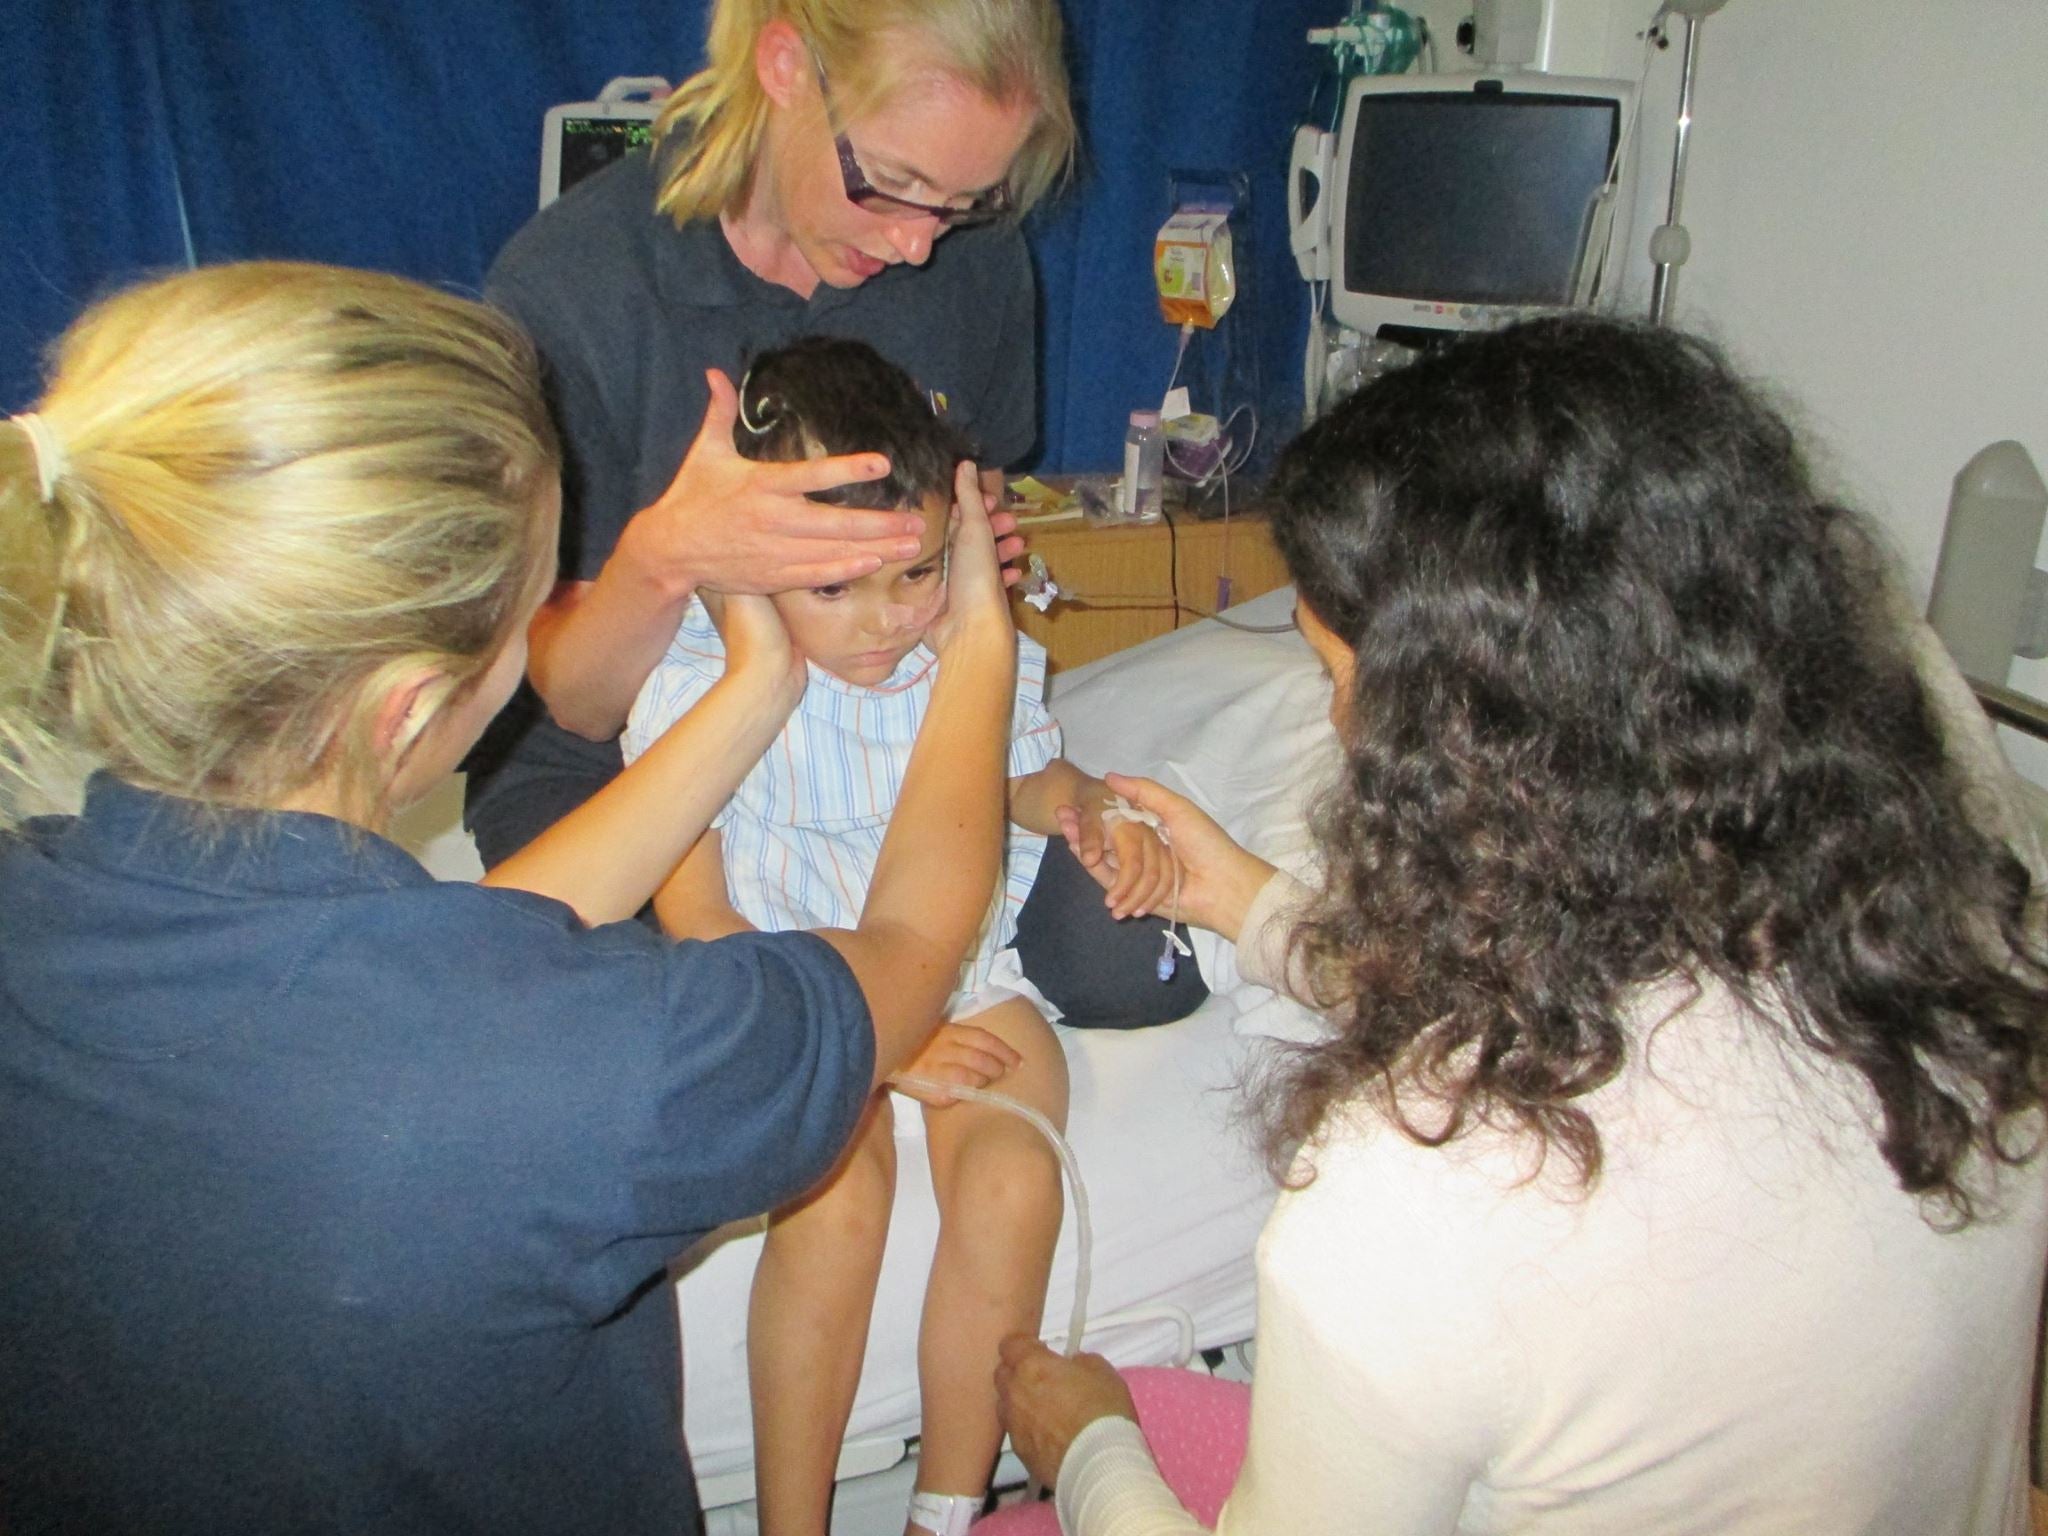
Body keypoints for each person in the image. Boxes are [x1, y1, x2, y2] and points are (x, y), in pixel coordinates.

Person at [0, 261, 1019, 1536]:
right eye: (541, 603)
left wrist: (756, 682)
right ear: (417, 710)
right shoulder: (597, 1058)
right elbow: (910, 945)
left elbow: (460, 946)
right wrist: (980, 633)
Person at [989, 315, 2048, 1535]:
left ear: (1468, 762)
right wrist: (1236, 896)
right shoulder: (1960, 1000)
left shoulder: (1410, 1200)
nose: (1339, 735)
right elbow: (1565, 1021)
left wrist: (1088, 1452)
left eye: (1339, 686)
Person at [465, 0, 1205, 1027]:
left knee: (1128, 960)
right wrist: (664, 559)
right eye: (890, 185)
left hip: (888, 732)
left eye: (961, 202)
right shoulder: (576, 290)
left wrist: (956, 555)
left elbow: (965, 549)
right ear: (782, 65)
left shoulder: (968, 258)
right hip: (637, 765)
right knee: (673, 1025)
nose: (912, 245)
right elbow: (578, 707)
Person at [622, 337, 1174, 1536]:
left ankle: (946, 1505)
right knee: (833, 1196)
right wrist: (877, 1046)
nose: (884, 622)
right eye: (835, 589)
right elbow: (702, 918)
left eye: (918, 574)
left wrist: (1092, 812)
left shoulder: (954, 654)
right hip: (790, 983)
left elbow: (1025, 774)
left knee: (1018, 1165)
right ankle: (792, 1521)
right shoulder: (695, 687)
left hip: (958, 971)